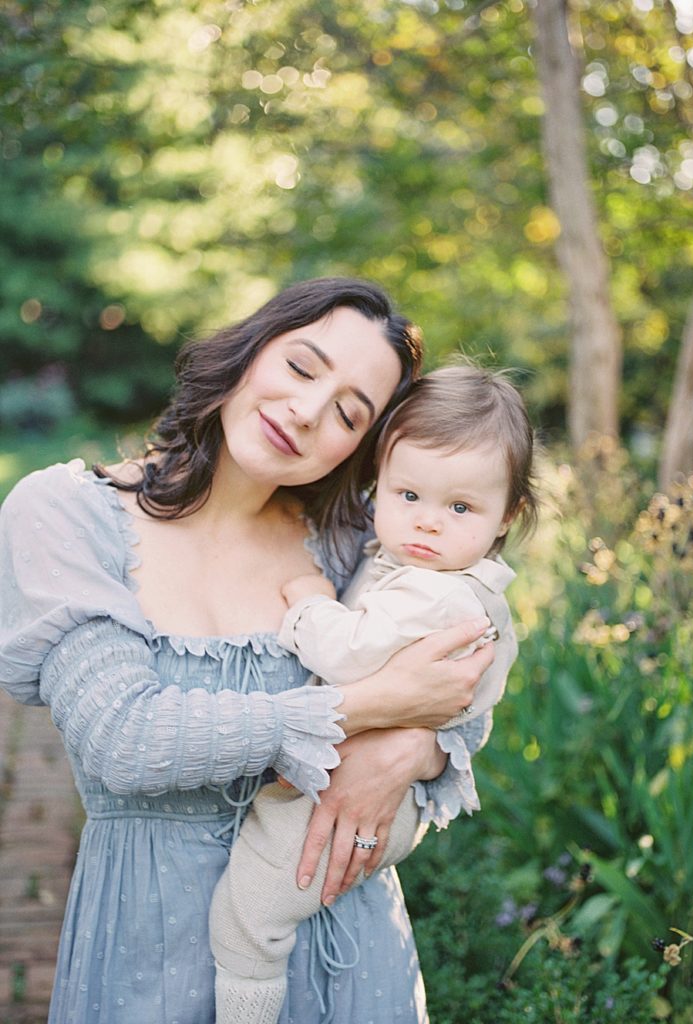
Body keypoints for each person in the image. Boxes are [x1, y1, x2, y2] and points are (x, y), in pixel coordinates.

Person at [0, 277, 497, 1024]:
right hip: (147, 947)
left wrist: (409, 752)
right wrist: (365, 709)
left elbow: (461, 687)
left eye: (347, 414)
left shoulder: (354, 545)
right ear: (250, 347)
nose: (304, 412)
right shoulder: (68, 514)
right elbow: (122, 740)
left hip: (343, 943)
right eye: (301, 368)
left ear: (362, 448)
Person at [209, 365, 537, 1024]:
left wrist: (306, 602)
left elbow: (348, 653)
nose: (427, 524)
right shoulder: (441, 573)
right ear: (377, 483)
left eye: (460, 507)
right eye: (407, 494)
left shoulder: (435, 591)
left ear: (508, 517)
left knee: (246, 920)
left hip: (349, 794)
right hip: (373, 781)